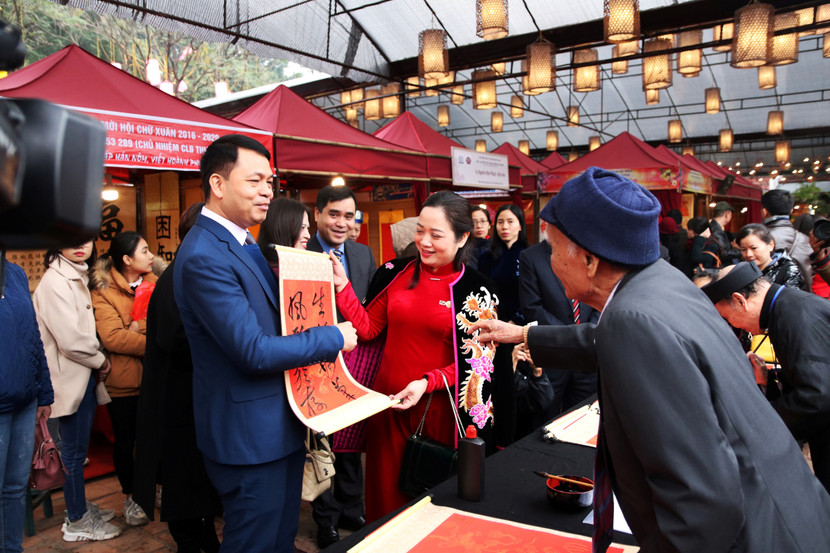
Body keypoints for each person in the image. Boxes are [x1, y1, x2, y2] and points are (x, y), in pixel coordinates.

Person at [470, 166, 830, 552]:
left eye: (554, 249)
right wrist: (524, 334)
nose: (551, 260)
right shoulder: (661, 283)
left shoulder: (633, 321)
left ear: (589, 260)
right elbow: (609, 338)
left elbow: (699, 503)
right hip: (793, 511)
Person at [173, 135, 356, 553]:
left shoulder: (241, 240)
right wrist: (332, 337)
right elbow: (253, 350)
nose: (266, 192)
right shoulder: (204, 255)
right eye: (254, 181)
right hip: (248, 438)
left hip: (275, 427)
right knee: (253, 542)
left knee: (279, 538)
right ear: (218, 184)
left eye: (269, 182)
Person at [331, 190, 509, 522]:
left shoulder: (477, 290)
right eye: (419, 231)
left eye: (436, 235)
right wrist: (343, 287)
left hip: (439, 413)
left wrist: (428, 382)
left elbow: (479, 365)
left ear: (462, 238)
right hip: (387, 407)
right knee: (383, 504)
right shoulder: (395, 273)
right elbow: (368, 328)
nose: (424, 242)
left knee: (427, 508)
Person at [133, 202, 222, 553]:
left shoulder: (192, 268)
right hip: (176, 397)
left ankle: (204, 535)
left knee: (197, 479)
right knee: (183, 479)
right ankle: (191, 541)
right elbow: (173, 337)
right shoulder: (177, 275)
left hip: (193, 394)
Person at [703, 262, 830, 494]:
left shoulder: (794, 316)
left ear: (740, 301)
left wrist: (762, 422)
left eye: (727, 317)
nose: (733, 325)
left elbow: (818, 395)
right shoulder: (787, 306)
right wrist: (768, 378)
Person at [32, 242, 120, 542]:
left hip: (81, 378)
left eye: (85, 238)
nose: (80, 246)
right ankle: (77, 520)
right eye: (70, 239)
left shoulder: (76, 274)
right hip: (70, 380)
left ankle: (78, 507)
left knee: (77, 451)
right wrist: (100, 359)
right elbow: (70, 341)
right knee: (72, 454)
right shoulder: (56, 282)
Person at [306, 185, 376, 548]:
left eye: (349, 216)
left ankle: (351, 507)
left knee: (351, 440)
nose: (341, 223)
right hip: (316, 362)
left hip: (356, 362)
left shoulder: (362, 253)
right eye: (334, 214)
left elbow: (371, 308)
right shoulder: (302, 253)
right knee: (323, 444)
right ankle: (326, 519)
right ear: (317, 214)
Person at [90, 230, 157, 527]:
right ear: (127, 260)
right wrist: (153, 340)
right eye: (144, 251)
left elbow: (166, 325)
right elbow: (113, 338)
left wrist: (135, 326)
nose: (151, 256)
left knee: (155, 439)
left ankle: (154, 489)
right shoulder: (103, 290)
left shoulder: (156, 284)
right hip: (123, 383)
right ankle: (132, 497)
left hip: (154, 379)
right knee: (126, 443)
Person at [518, 220, 598, 419]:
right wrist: (568, 337)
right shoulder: (531, 257)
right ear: (544, 226)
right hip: (552, 354)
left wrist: (586, 334)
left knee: (582, 418)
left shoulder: (588, 251)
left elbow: (599, 297)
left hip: (586, 356)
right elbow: (532, 308)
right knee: (546, 418)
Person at [0, 260, 53, 553]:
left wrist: (43, 393)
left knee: (15, 487)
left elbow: (34, 336)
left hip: (24, 399)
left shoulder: (15, 273)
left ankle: (12, 548)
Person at [477, 204, 528, 324]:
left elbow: (534, 295)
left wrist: (515, 321)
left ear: (520, 225)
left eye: (510, 221)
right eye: (500, 222)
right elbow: (481, 292)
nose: (505, 227)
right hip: (494, 320)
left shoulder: (529, 256)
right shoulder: (486, 257)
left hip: (523, 323)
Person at [762, 189, 812, 291]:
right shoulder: (805, 239)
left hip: (770, 297)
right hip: (802, 297)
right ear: (791, 211)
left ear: (764, 211)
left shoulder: (758, 239)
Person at [736, 223, 804, 289]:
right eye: (743, 249)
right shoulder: (741, 272)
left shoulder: (788, 270)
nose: (748, 254)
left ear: (770, 245)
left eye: (754, 248)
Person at [257, 197, 312, 266]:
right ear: (283, 228)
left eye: (307, 228)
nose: (308, 236)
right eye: (302, 227)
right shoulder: (277, 271)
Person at [708, 201, 741, 265]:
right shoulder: (716, 230)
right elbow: (724, 253)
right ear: (727, 214)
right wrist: (743, 252)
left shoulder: (713, 226)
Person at [467, 206, 491, 270]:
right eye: (474, 222)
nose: (479, 226)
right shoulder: (463, 248)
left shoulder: (497, 246)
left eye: (483, 221)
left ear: (489, 225)